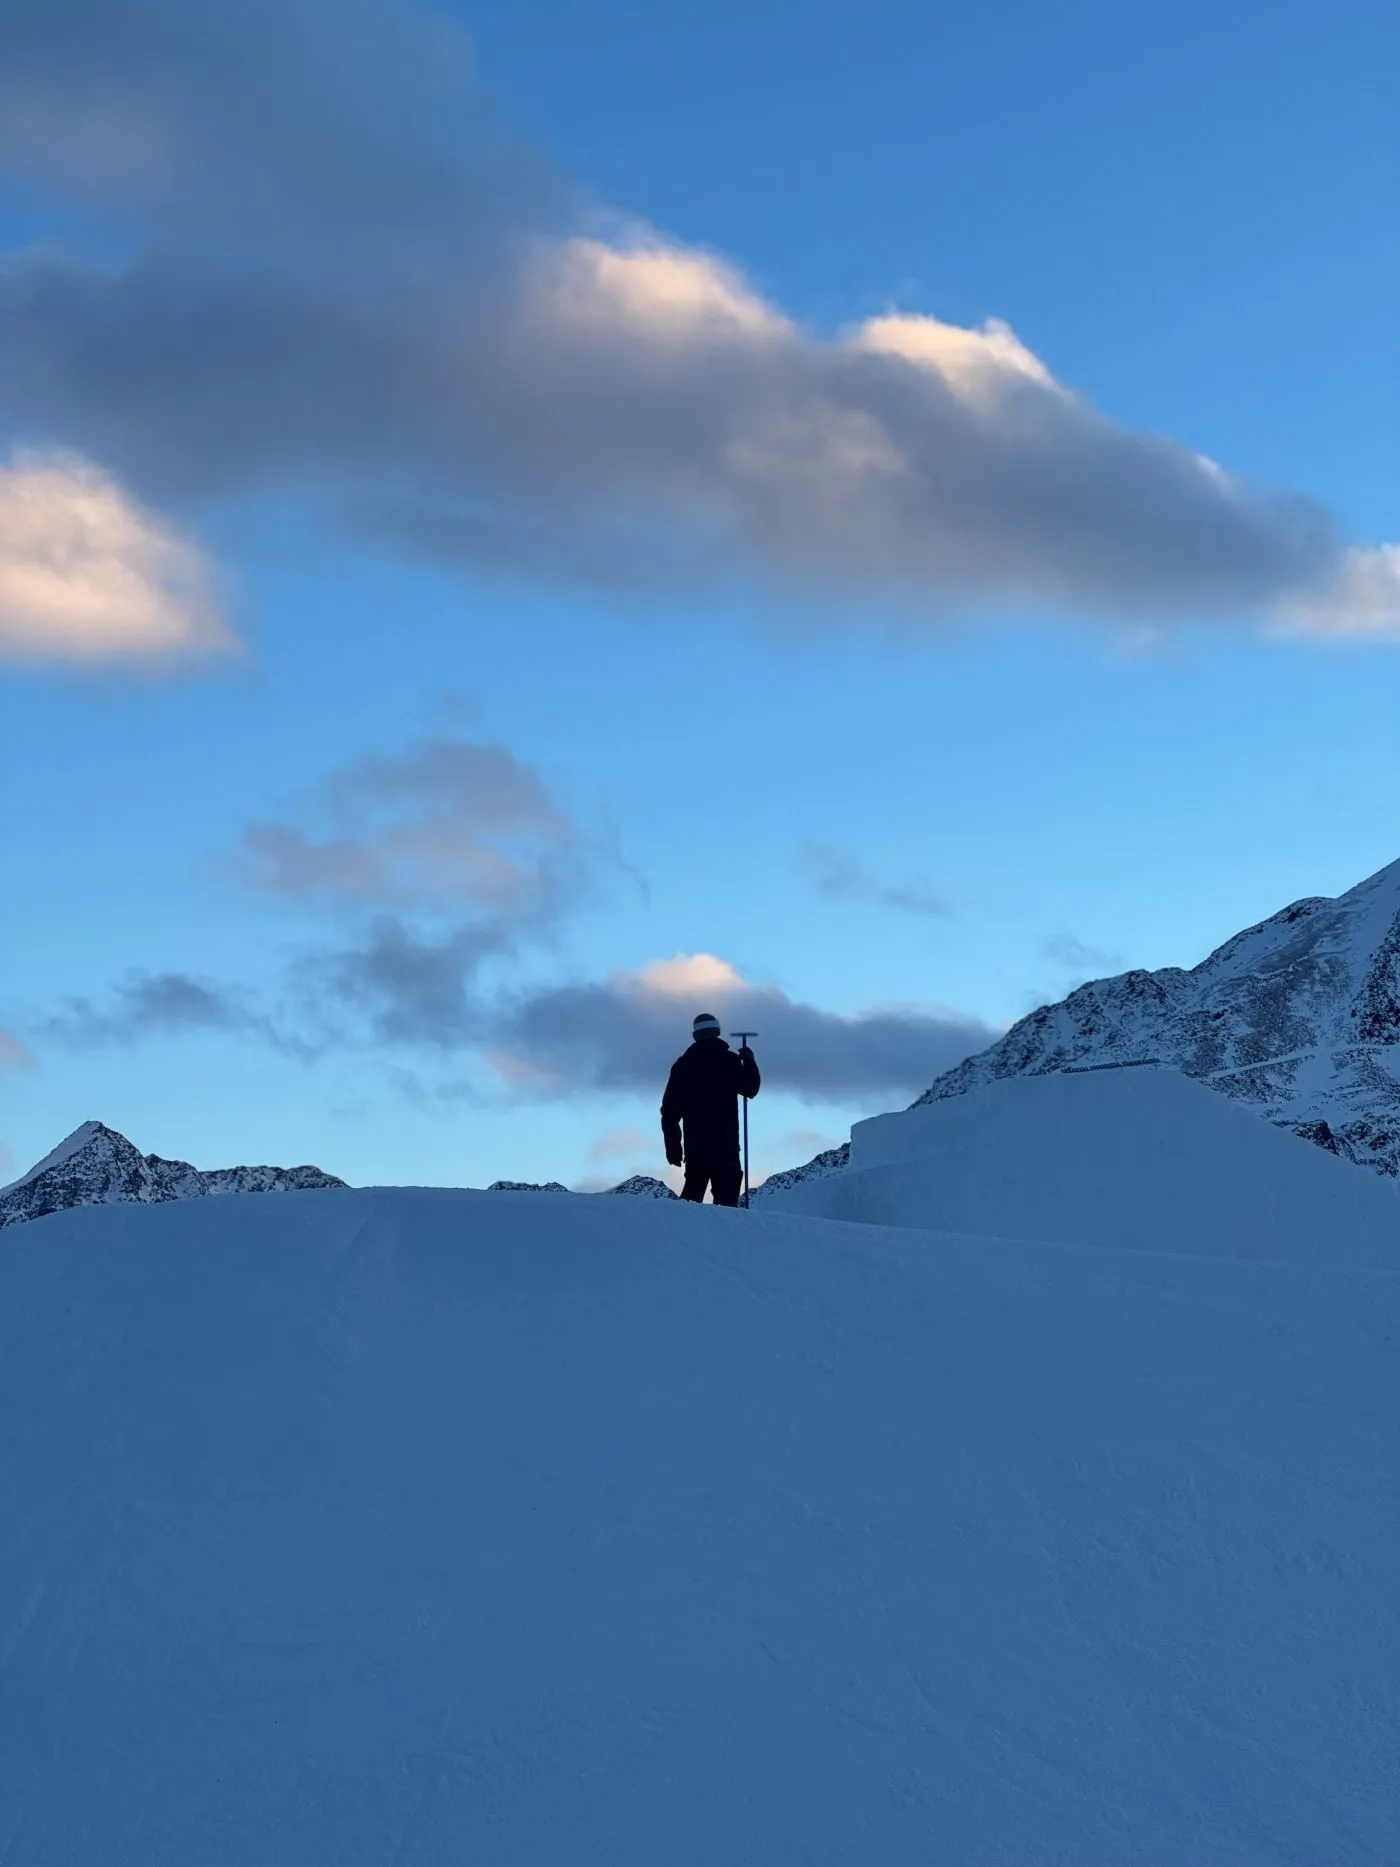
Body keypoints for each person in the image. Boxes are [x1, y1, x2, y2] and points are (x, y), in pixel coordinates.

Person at [661, 1013, 761, 1206]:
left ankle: (683, 1236)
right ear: (717, 1032)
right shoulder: (729, 1061)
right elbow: (750, 1089)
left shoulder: (683, 1066)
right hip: (726, 1146)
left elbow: (669, 1112)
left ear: (695, 1036)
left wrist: (673, 1148)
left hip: (695, 1147)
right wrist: (749, 1062)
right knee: (727, 1205)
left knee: (691, 1199)